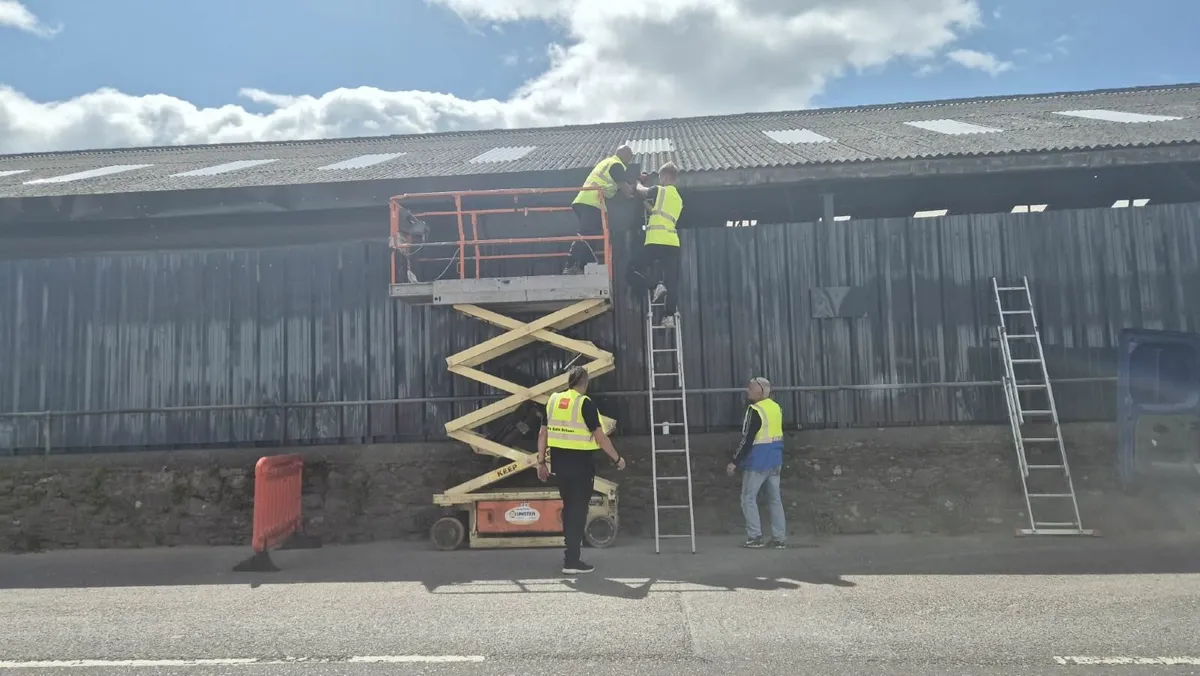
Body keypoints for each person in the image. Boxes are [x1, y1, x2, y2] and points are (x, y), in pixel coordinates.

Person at [537, 366, 626, 574]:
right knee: (577, 512)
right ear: (585, 383)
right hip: (581, 468)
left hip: (559, 466)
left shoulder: (553, 401)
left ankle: (570, 556)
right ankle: (572, 561)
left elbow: (542, 434)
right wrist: (617, 459)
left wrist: (541, 463)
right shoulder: (584, 403)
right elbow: (600, 437)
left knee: (569, 510)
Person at [726, 377, 786, 549]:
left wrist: (734, 462)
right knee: (775, 500)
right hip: (775, 460)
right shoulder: (776, 408)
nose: (748, 391)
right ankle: (779, 538)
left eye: (751, 388)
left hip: (758, 462)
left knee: (748, 498)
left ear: (761, 391)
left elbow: (747, 439)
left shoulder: (754, 410)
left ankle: (755, 537)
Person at [628, 162, 684, 327]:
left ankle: (655, 286)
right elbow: (658, 212)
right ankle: (669, 317)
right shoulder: (678, 199)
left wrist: (638, 182)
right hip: (672, 242)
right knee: (672, 281)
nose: (660, 181)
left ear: (665, 177)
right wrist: (646, 206)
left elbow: (642, 192)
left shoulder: (661, 190)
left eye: (660, 178)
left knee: (633, 268)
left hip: (656, 240)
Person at [565, 146, 635, 274]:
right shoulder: (616, 165)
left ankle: (580, 265)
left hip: (588, 199)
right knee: (586, 233)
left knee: (592, 235)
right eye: (630, 157)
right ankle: (571, 264)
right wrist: (636, 188)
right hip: (592, 201)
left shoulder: (607, 162)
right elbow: (626, 190)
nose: (630, 160)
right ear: (623, 154)